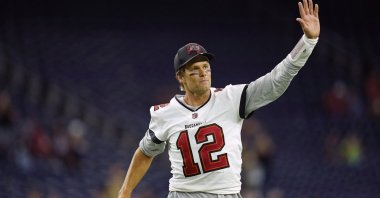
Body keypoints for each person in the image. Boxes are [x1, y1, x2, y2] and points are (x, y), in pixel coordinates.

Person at [118, 0, 320, 197]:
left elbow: (275, 81)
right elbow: (145, 152)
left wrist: (308, 42)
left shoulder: (231, 98)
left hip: (226, 194)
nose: (203, 73)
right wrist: (125, 190)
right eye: (195, 69)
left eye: (206, 67)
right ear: (181, 77)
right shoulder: (165, 113)